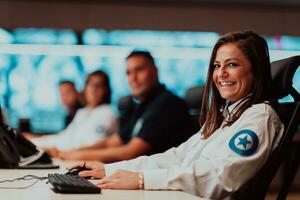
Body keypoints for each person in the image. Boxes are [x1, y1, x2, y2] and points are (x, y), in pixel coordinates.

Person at [67, 31, 284, 199]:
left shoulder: (259, 117)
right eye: (217, 66)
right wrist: (108, 169)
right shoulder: (225, 116)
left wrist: (142, 180)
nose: (221, 74)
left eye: (232, 65)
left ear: (255, 71)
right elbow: (177, 157)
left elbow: (218, 177)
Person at [57, 51, 194, 162]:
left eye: (139, 70)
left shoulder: (166, 103)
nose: (133, 78)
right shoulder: (139, 105)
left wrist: (76, 157)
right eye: (128, 72)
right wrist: (73, 152)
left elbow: (131, 152)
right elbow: (112, 142)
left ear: (155, 71)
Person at [30, 70, 117, 154]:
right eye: (89, 84)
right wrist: (33, 141)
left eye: (98, 86)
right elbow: (64, 137)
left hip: (77, 158)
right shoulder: (83, 112)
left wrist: (57, 151)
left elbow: (91, 145)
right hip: (66, 155)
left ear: (106, 90)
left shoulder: (107, 113)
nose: (93, 89)